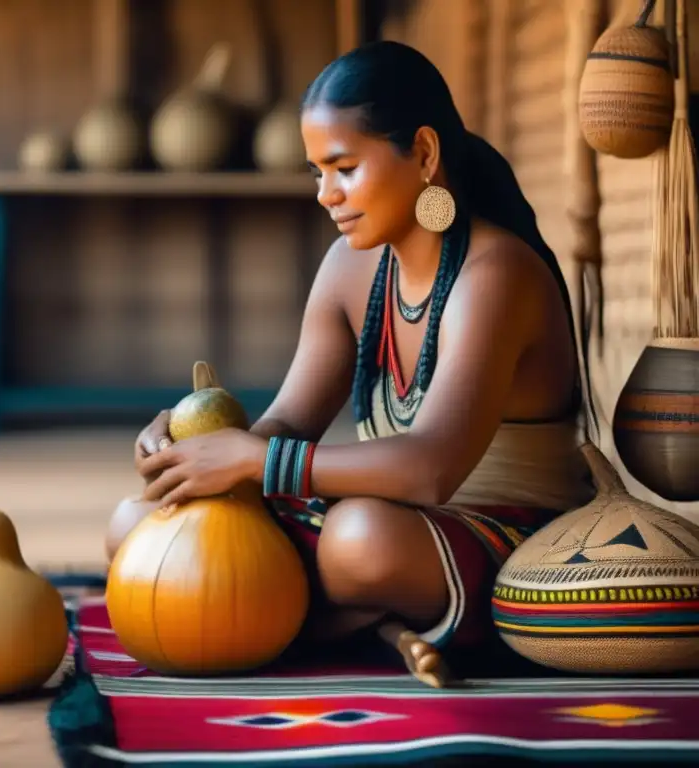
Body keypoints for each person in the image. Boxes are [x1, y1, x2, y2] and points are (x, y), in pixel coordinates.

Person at [107, 40, 596, 654]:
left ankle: (295, 616)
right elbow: (288, 421)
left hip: (503, 536)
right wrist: (193, 448)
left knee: (358, 540)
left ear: (422, 153)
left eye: (344, 168)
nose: (325, 195)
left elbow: (429, 470)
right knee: (138, 522)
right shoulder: (349, 268)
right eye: (318, 173)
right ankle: (342, 618)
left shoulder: (495, 273)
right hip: (378, 516)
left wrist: (252, 462)